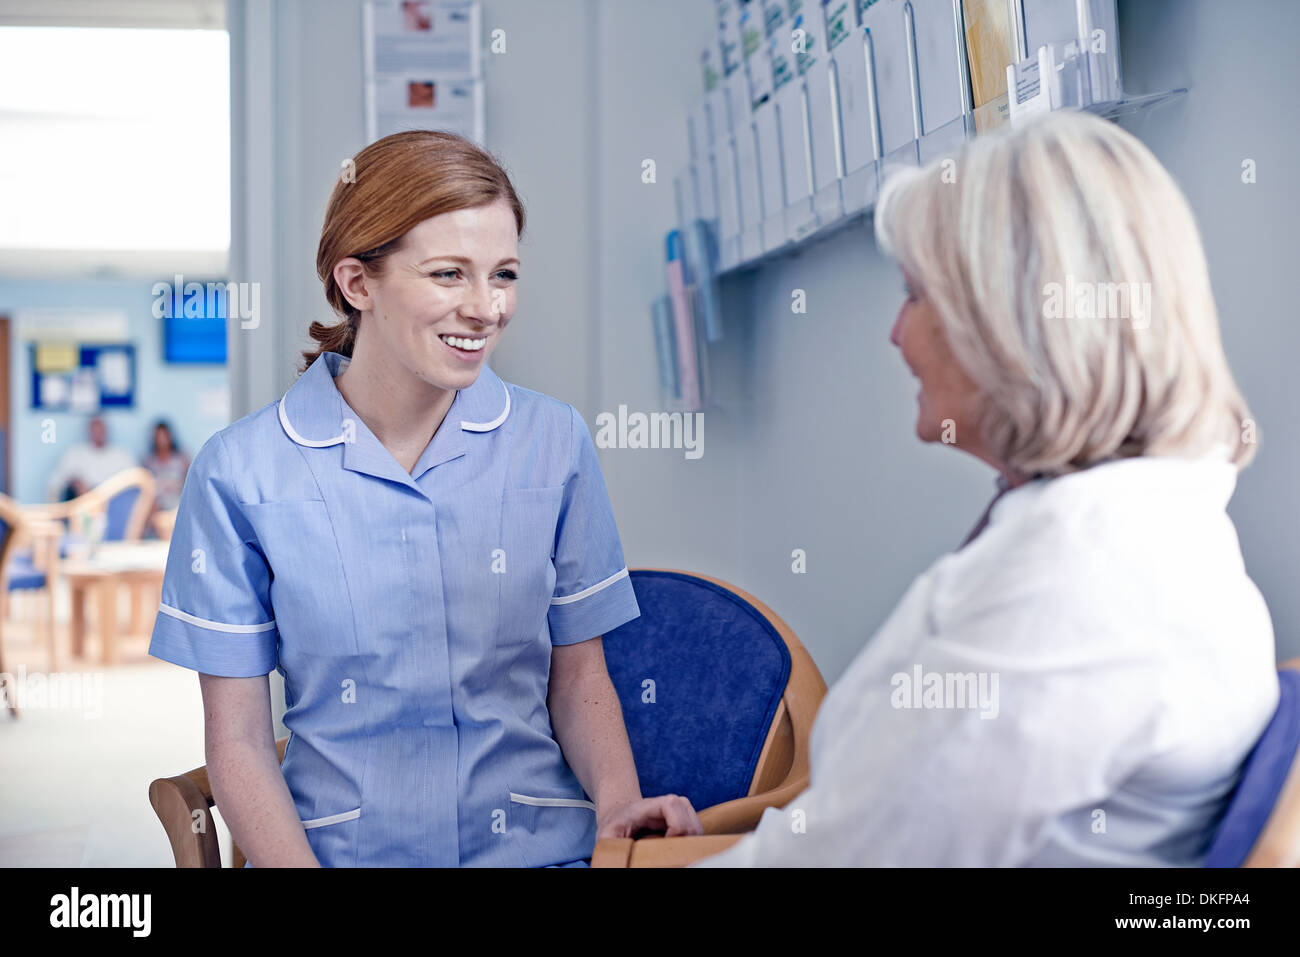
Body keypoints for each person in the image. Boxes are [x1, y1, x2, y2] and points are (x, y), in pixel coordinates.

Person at [696, 110, 1279, 867]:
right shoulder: (1152, 526)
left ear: (1009, 322)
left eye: (914, 294)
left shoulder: (1075, 577)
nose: (895, 335)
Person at [148, 130, 702, 867]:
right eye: (449, 274)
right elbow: (239, 740)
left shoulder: (554, 442)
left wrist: (620, 811)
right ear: (357, 283)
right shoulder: (240, 473)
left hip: (540, 850)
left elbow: (578, 677)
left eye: (502, 274)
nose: (486, 308)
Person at [46, 416, 136, 502]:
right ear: (89, 431)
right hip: (83, 502)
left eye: (101, 430)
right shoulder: (75, 453)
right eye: (95, 430)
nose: (98, 434)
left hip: (114, 500)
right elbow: (56, 481)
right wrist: (76, 483)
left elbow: (135, 480)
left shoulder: (121, 454)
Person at [142, 420, 190, 512]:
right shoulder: (148, 461)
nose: (161, 440)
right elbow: (145, 486)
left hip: (177, 503)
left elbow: (189, 482)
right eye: (158, 437)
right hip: (156, 506)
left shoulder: (181, 459)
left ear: (170, 437)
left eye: (164, 436)